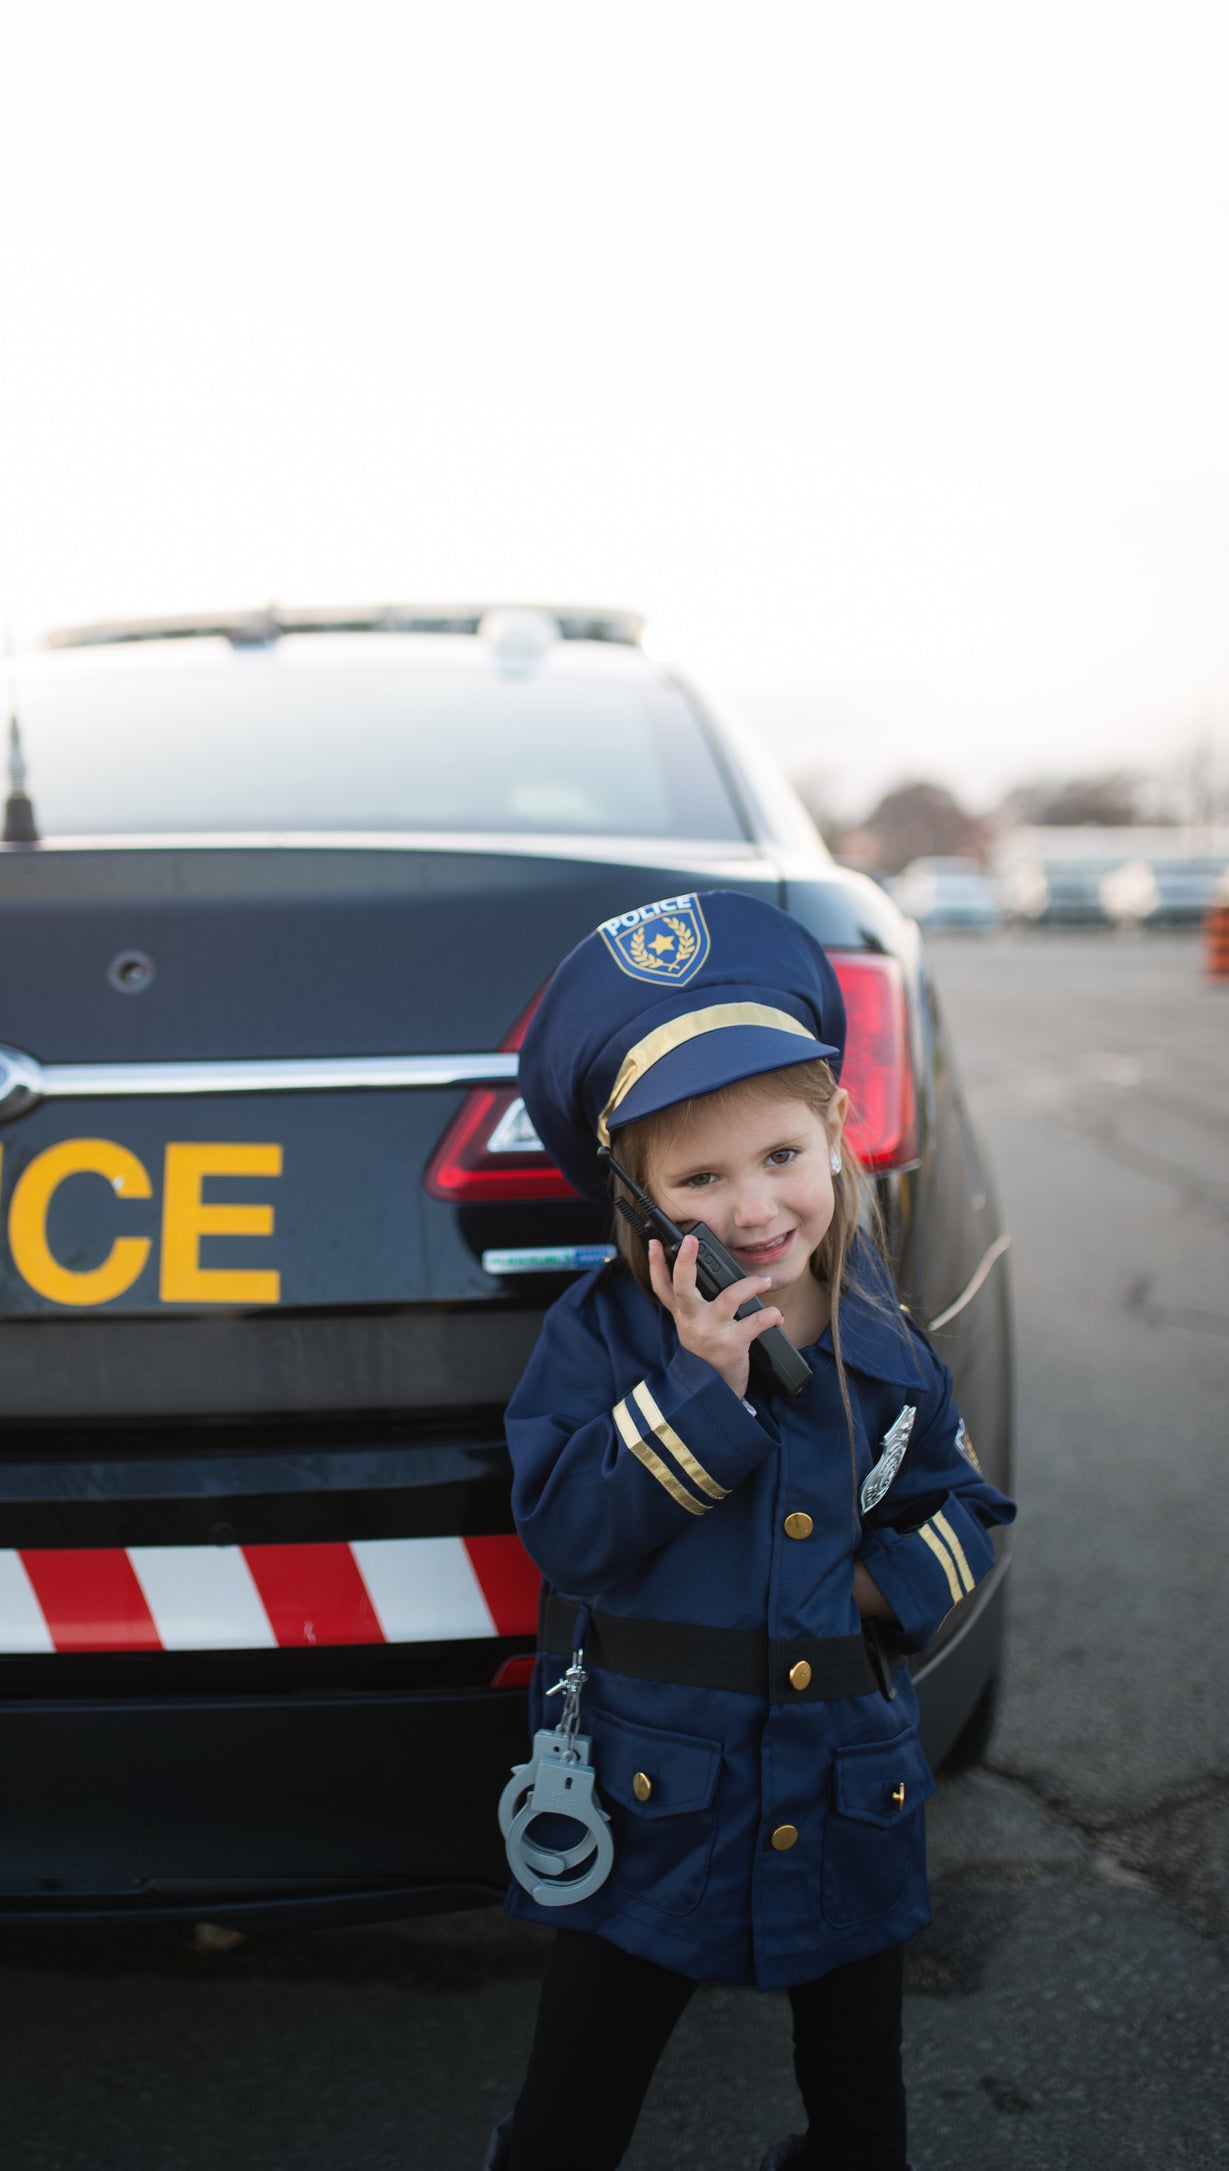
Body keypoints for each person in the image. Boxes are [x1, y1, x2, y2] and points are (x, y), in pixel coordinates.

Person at [482, 890, 1016, 2171]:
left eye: (779, 1155)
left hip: (848, 1787)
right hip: (654, 1799)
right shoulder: (604, 1340)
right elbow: (565, 1533)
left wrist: (873, 1593)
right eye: (699, 1178)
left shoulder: (884, 1335)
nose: (752, 1208)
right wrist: (695, 1394)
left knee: (860, 2113)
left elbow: (962, 1507)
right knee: (570, 2114)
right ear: (639, 1197)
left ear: (834, 1131)